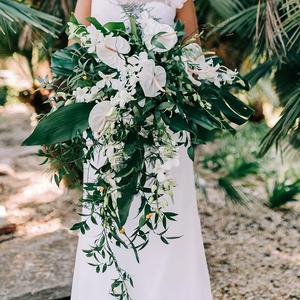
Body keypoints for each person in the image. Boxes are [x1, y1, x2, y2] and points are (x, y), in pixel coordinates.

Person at [71, 1, 212, 299]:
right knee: (108, 211)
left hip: (165, 121)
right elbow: (75, 44)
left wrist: (173, 80)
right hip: (105, 118)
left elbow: (191, 48)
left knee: (167, 207)